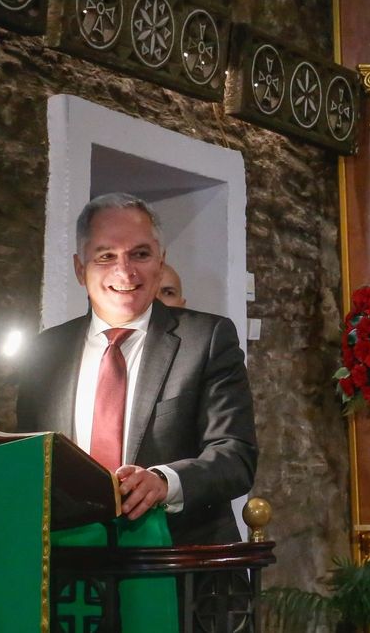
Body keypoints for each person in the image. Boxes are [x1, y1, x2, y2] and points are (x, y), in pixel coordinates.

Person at [15, 193, 256, 544]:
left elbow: (236, 456)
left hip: (179, 563)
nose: (124, 271)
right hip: (74, 569)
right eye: (105, 256)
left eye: (140, 254)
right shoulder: (45, 351)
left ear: (161, 260)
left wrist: (164, 482)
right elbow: (30, 459)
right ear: (80, 269)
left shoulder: (207, 338)